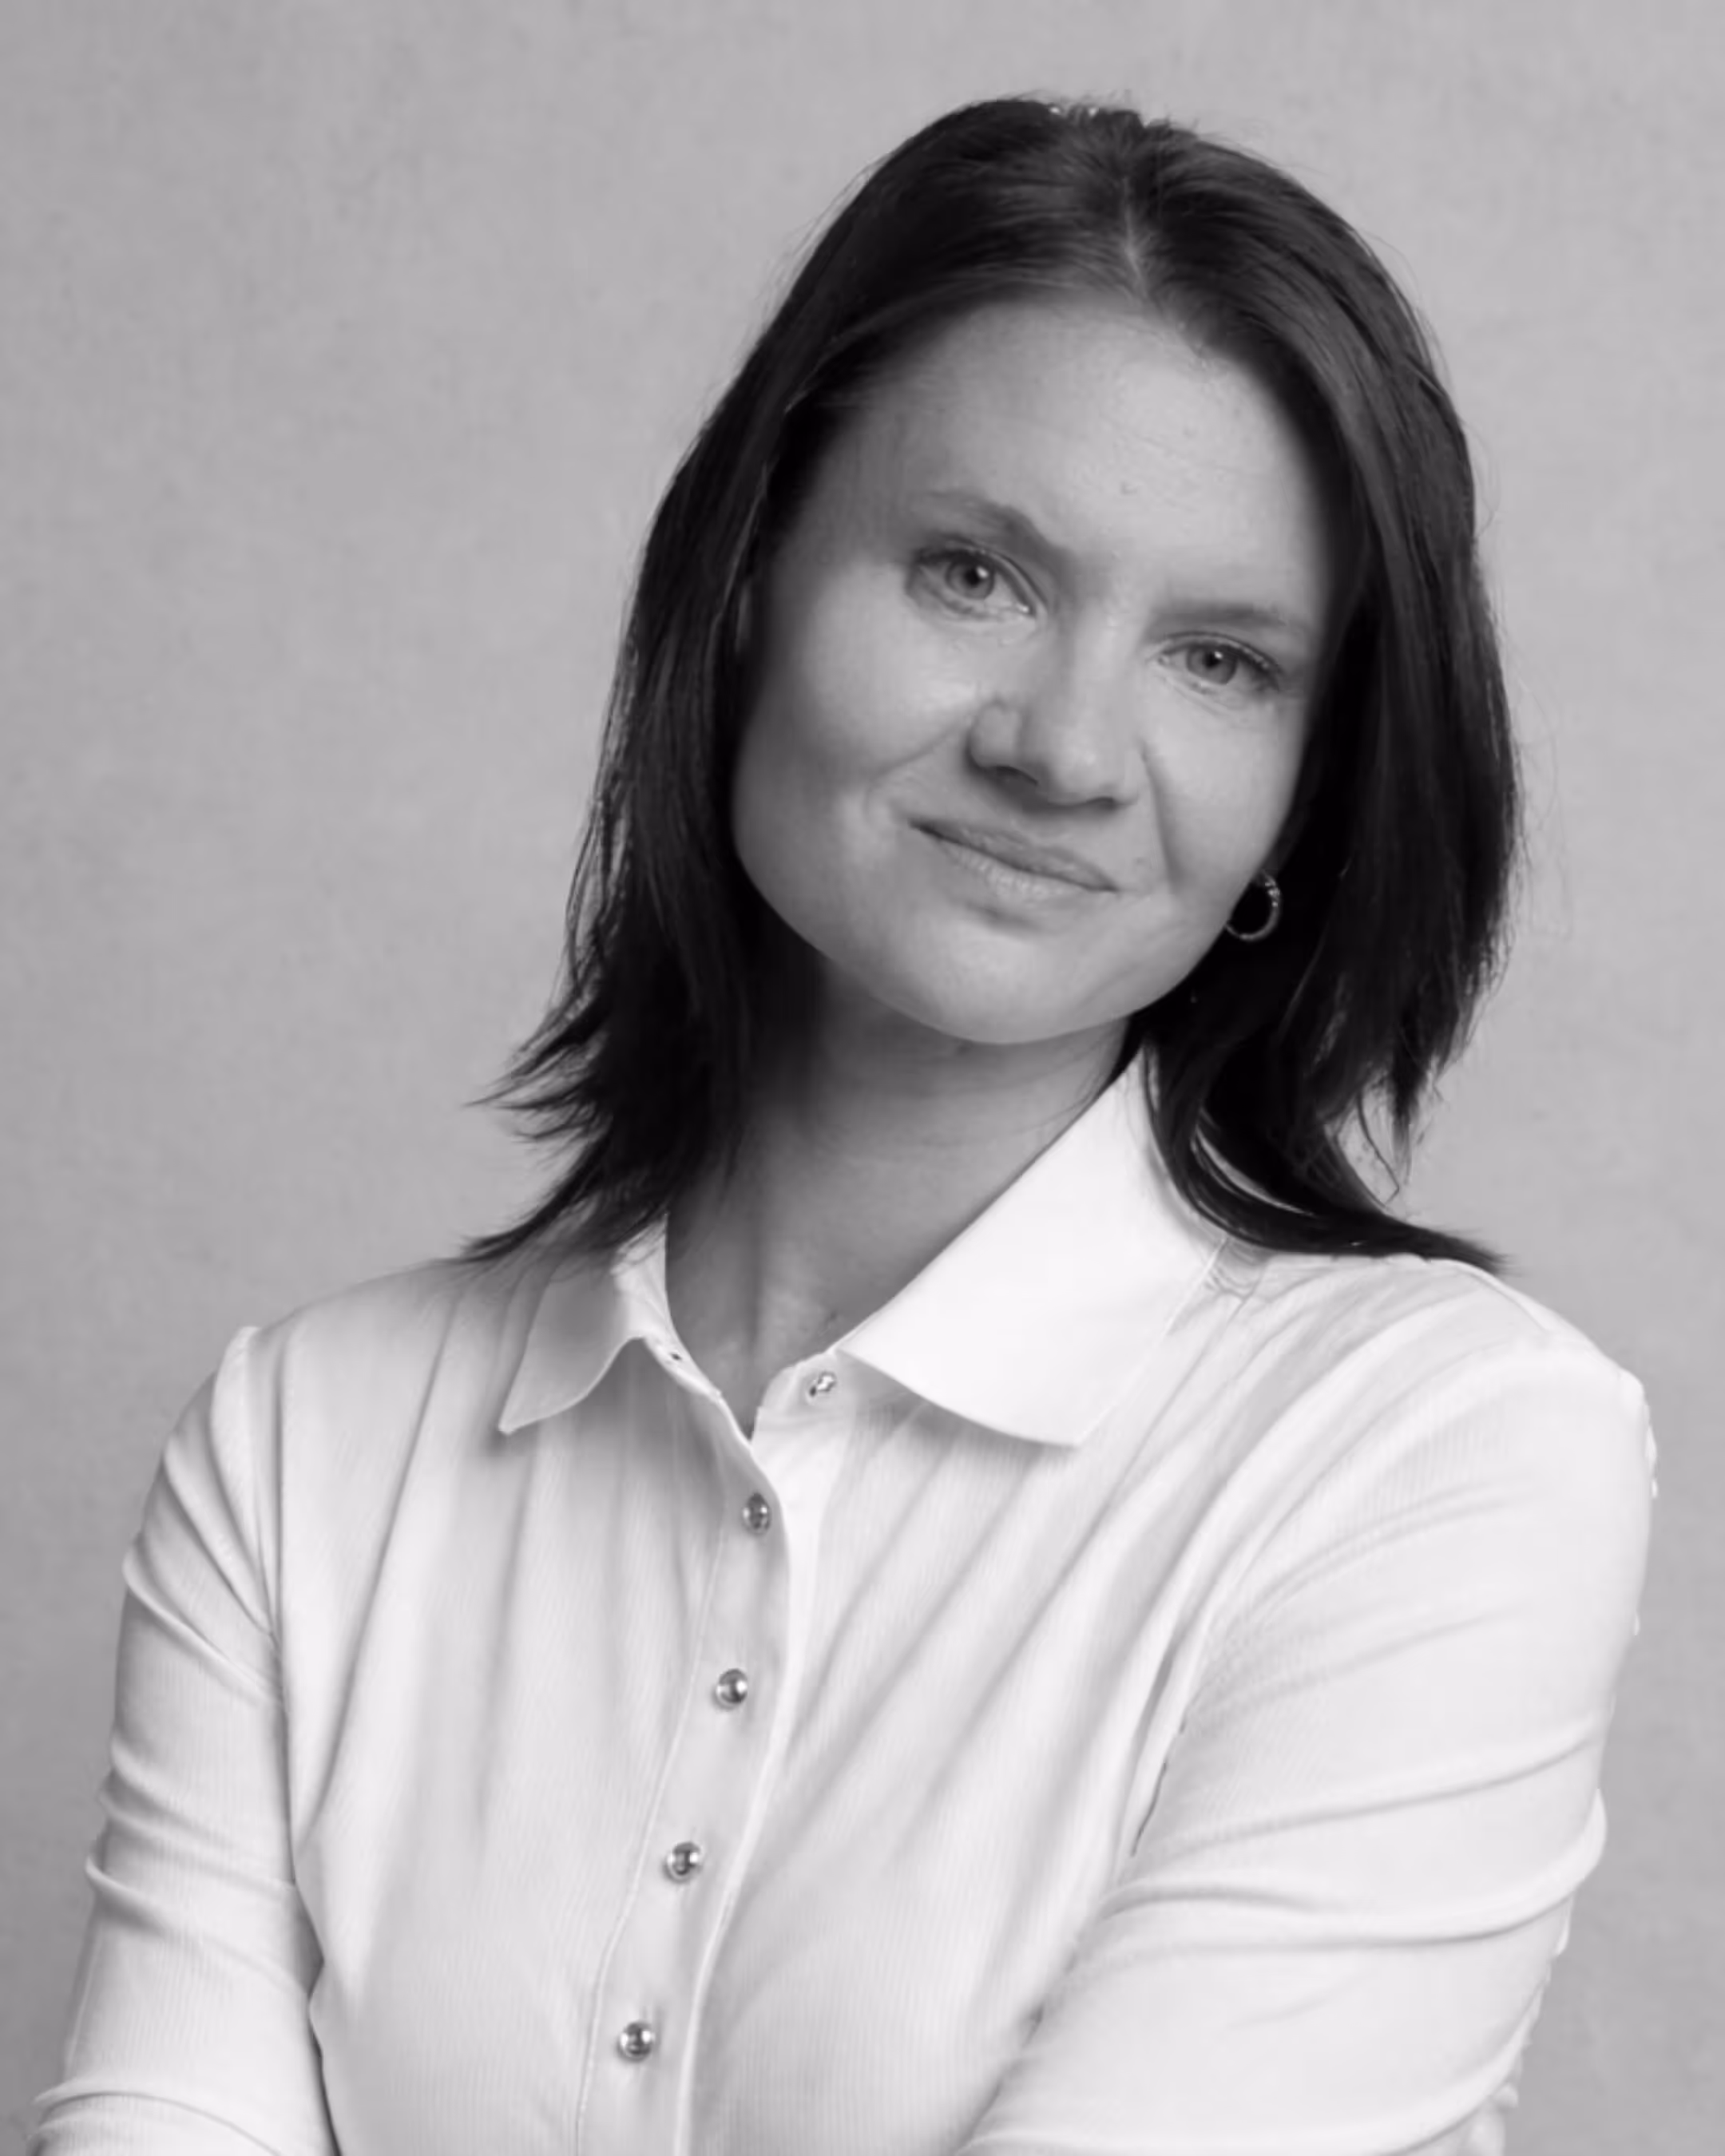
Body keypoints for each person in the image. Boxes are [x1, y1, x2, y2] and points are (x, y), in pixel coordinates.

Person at [30, 96, 1654, 2156]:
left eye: (1223, 659)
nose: (1065, 746)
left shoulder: (1445, 1455)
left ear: (1306, 799)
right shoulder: (301, 1452)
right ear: (747, 590)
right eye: (973, 573)